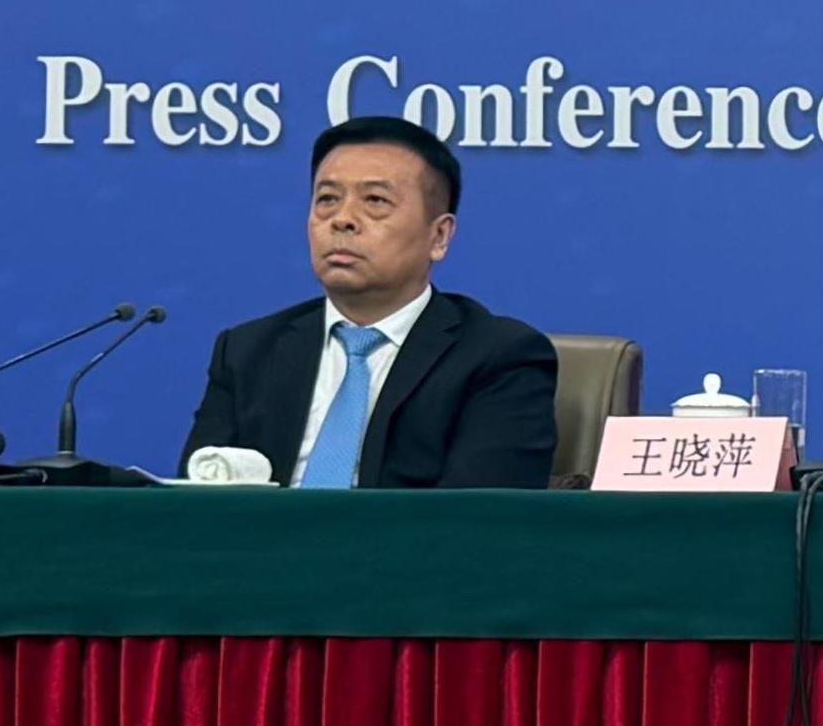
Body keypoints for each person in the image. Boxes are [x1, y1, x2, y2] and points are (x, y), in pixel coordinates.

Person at [180, 117, 558, 488]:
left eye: (375, 200)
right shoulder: (248, 352)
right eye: (327, 199)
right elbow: (196, 503)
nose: (342, 219)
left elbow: (480, 518)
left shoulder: (498, 358)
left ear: (439, 236)